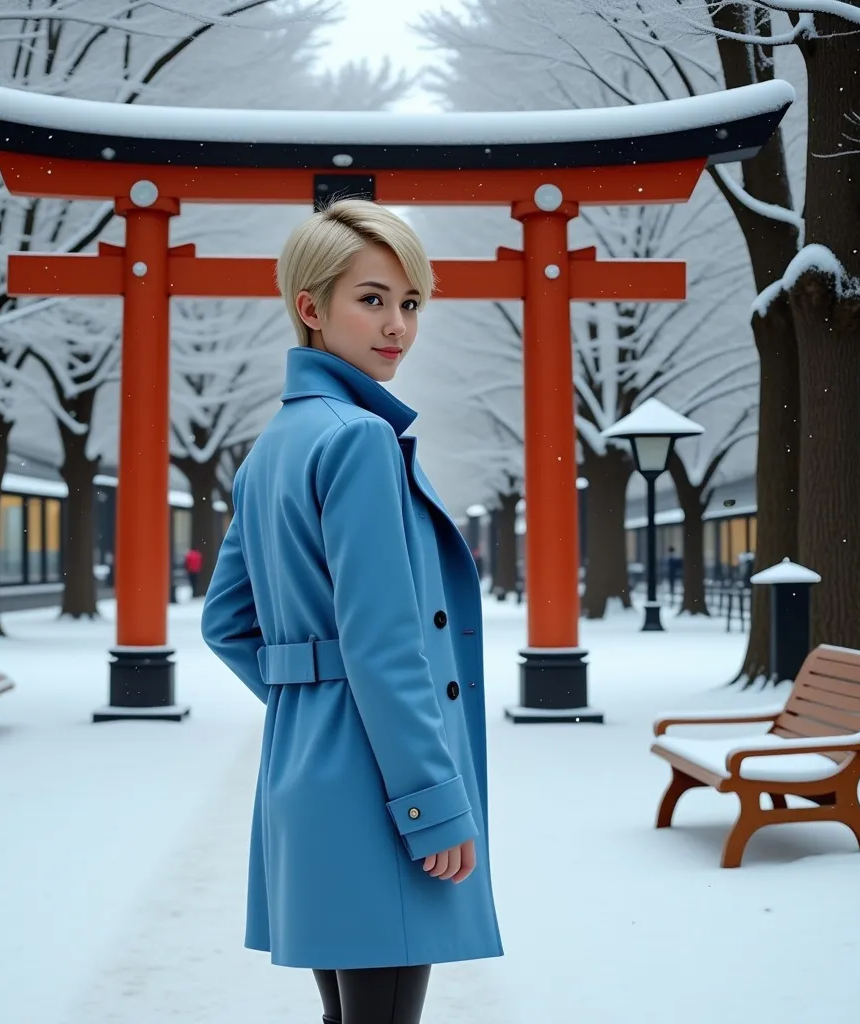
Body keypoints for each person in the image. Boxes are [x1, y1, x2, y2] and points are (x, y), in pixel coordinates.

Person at [202, 199, 502, 1024]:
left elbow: (227, 622)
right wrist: (432, 801)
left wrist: (312, 702)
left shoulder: (274, 445)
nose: (397, 325)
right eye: (372, 299)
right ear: (311, 307)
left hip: (311, 774)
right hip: (385, 784)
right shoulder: (361, 440)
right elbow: (383, 642)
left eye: (410, 303)